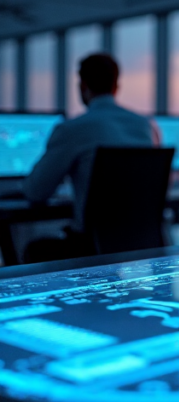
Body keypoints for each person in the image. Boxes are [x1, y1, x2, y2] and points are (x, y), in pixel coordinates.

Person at [23, 53, 159, 261]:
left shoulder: (72, 129)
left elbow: (36, 191)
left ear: (82, 86)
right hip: (140, 248)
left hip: (90, 249)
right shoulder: (145, 126)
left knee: (34, 250)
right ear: (116, 86)